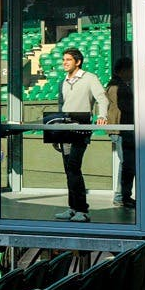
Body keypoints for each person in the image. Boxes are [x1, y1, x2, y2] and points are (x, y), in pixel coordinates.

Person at [55, 48, 109, 222]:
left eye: (68, 59)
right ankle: (73, 208)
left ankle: (82, 210)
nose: (64, 62)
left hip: (81, 127)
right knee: (68, 169)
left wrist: (102, 115)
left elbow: (102, 98)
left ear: (77, 62)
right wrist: (56, 133)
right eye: (64, 59)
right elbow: (60, 108)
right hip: (65, 128)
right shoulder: (62, 81)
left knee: (74, 167)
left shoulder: (90, 78)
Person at [106, 57, 136, 210]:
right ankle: (121, 196)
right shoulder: (119, 87)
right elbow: (125, 108)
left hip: (119, 128)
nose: (132, 73)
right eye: (131, 70)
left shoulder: (116, 84)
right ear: (124, 70)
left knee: (127, 163)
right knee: (127, 164)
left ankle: (123, 195)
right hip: (121, 129)